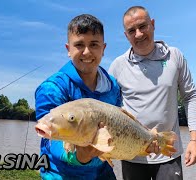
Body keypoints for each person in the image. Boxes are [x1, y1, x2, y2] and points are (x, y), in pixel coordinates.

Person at [109, 6, 196, 180]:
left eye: (143, 26)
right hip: (131, 153)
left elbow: (190, 96)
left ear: (153, 24)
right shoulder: (117, 66)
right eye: (132, 31)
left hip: (168, 152)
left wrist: (194, 139)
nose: (139, 34)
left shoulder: (175, 56)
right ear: (126, 35)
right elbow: (110, 110)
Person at [35, 14, 121, 180]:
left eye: (94, 44)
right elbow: (51, 141)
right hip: (61, 175)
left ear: (103, 48)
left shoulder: (113, 86)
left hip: (103, 174)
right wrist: (80, 156)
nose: (87, 52)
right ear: (68, 49)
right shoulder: (52, 88)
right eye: (79, 45)